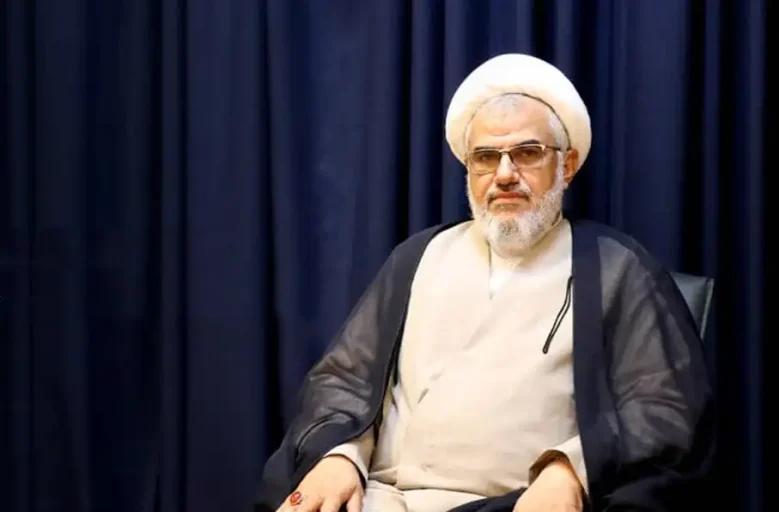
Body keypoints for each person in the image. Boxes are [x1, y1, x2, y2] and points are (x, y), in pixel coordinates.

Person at [253, 53, 715, 512]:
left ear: (568, 165)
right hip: (377, 497)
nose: (505, 175)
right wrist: (341, 456)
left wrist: (569, 470)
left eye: (528, 153)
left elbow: (664, 409)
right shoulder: (417, 257)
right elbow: (343, 378)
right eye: (486, 158)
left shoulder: (615, 269)